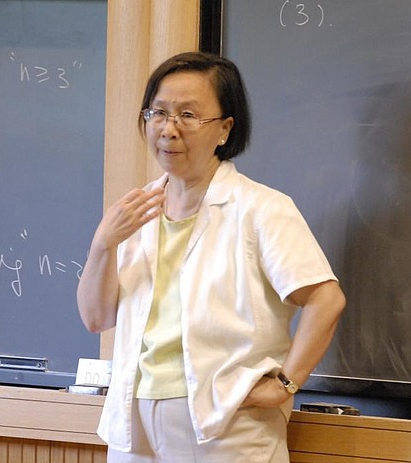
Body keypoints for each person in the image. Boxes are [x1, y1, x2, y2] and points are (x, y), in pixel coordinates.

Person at [76, 51, 346, 462]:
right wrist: (103, 244)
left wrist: (286, 383)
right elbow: (97, 319)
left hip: (226, 422)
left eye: (188, 115)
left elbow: (326, 299)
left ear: (224, 128)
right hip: (135, 418)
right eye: (158, 113)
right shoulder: (138, 210)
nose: (169, 130)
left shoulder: (260, 208)